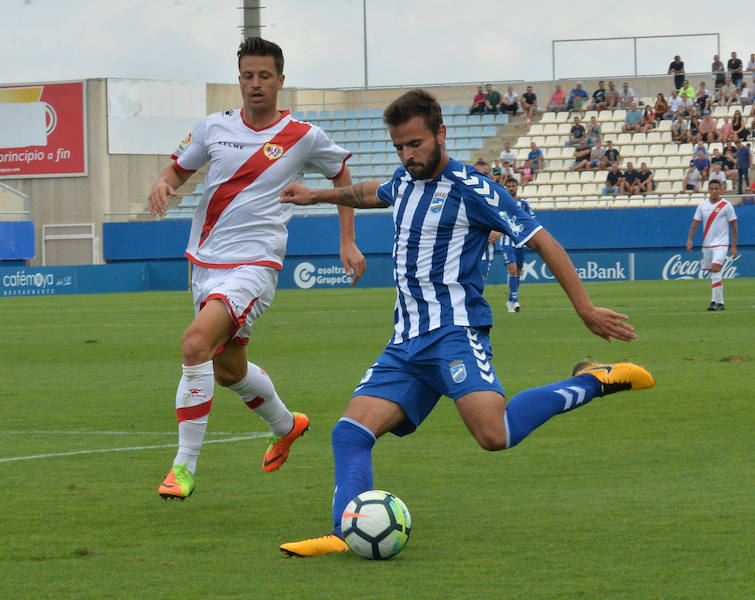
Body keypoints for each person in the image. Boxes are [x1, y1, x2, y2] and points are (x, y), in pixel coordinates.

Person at [277, 89, 654, 557]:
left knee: (494, 436)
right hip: (405, 344)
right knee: (349, 432)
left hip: (455, 334)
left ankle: (595, 380)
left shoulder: (473, 190)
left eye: (415, 144)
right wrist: (316, 194)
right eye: (398, 146)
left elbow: (543, 241)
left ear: (440, 134)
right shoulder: (405, 180)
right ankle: (346, 531)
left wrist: (585, 308)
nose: (407, 155)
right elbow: (371, 192)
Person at [147, 37, 366, 500]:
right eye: (248, 75)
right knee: (227, 371)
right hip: (205, 262)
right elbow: (176, 172)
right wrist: (162, 186)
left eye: (264, 76)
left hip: (255, 265)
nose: (255, 84)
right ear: (240, 79)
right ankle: (287, 426)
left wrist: (346, 239)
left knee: (194, 344)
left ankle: (182, 469)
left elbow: (341, 175)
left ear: (280, 81)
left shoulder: (302, 136)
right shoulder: (213, 128)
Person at [686, 179, 738, 311]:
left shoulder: (726, 206)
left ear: (721, 190)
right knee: (714, 273)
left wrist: (733, 246)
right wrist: (690, 239)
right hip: (707, 244)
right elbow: (695, 224)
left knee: (715, 268)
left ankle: (714, 301)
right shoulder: (702, 205)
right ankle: (721, 302)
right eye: (712, 189)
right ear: (708, 190)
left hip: (721, 244)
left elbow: (734, 226)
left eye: (716, 189)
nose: (714, 191)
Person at [499, 177, 534, 312]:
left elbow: (531, 219)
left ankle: (509, 300)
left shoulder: (523, 203)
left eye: (513, 185)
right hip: (507, 242)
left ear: (517, 187)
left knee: (518, 273)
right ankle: (516, 301)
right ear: (506, 188)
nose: (511, 188)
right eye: (509, 186)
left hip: (520, 243)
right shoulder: (501, 203)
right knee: (512, 270)